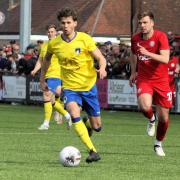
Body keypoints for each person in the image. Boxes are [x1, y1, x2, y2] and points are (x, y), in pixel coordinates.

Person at [40, 7, 107, 163]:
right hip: (70, 88)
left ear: (75, 23)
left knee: (97, 126)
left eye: (68, 22)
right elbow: (46, 61)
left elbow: (100, 58)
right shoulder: (54, 43)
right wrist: (42, 79)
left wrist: (102, 68)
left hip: (89, 87)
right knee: (72, 110)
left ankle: (88, 125)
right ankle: (93, 151)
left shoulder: (85, 39)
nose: (65, 25)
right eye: (63, 23)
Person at [130, 11, 172, 156]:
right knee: (144, 106)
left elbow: (165, 59)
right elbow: (133, 54)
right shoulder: (135, 39)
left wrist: (148, 53)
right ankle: (151, 118)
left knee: (164, 118)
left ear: (152, 23)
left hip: (161, 81)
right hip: (144, 79)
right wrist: (133, 72)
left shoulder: (161, 36)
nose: (142, 25)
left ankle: (158, 143)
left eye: (145, 22)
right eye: (140, 23)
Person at [31, 24, 71, 130]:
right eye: (48, 32)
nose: (50, 33)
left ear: (56, 32)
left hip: (56, 74)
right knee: (52, 101)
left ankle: (46, 123)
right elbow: (41, 60)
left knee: (46, 95)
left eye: (52, 31)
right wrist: (35, 70)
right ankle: (68, 116)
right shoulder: (44, 45)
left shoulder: (60, 43)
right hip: (47, 75)